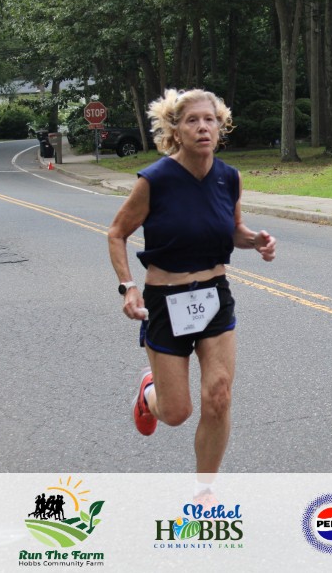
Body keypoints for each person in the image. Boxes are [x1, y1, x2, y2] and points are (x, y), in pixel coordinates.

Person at [107, 89, 276, 501]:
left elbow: (232, 230)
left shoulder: (229, 177)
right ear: (176, 130)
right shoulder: (155, 180)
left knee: (218, 395)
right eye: (192, 121)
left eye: (210, 120)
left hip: (214, 294)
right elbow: (117, 233)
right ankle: (149, 394)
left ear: (221, 127)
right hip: (166, 300)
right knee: (176, 413)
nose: (203, 127)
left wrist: (255, 240)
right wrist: (129, 286)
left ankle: (204, 490)